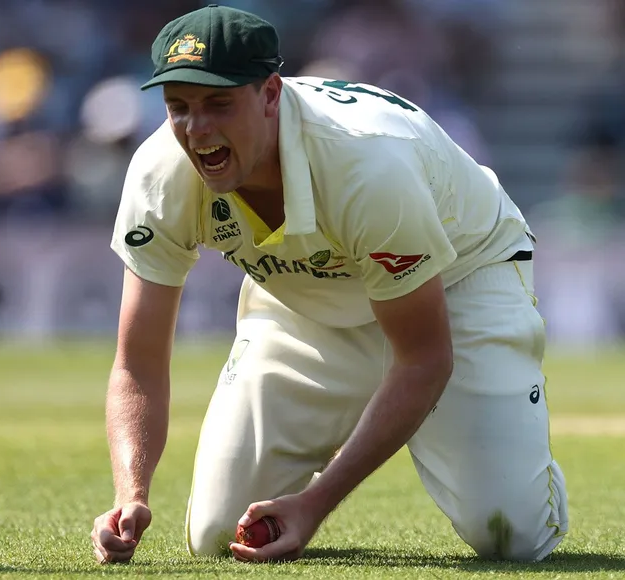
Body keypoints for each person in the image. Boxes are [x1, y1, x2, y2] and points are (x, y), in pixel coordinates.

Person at [91, 4, 568, 565]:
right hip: (307, 299)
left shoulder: (367, 164)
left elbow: (423, 359)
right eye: (180, 107)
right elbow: (137, 360)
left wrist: (315, 503)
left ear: (271, 93)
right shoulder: (159, 171)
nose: (197, 130)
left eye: (219, 103)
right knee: (220, 536)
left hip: (459, 279)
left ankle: (513, 452)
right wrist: (131, 493)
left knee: (512, 537)